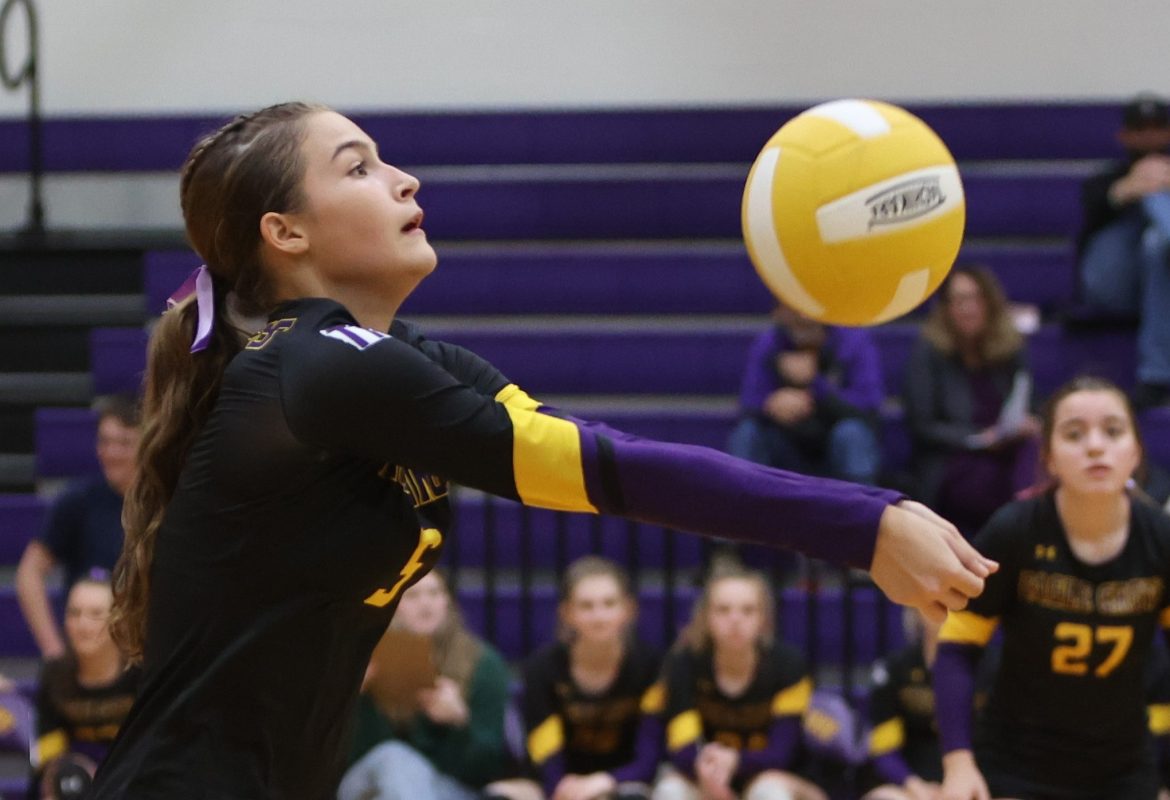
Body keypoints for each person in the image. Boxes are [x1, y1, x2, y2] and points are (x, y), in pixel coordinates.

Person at [87, 102, 992, 799]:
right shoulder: (309, 369)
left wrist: (869, 520)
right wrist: (867, 522)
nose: (403, 179)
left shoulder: (399, 367)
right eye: (358, 167)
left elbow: (599, 455)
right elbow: (609, 473)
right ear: (285, 233)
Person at [935, 375, 1170, 800]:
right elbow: (956, 649)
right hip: (1014, 767)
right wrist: (958, 761)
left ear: (1135, 452)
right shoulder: (1014, 531)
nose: (1095, 446)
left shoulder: (1161, 541)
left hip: (1124, 772)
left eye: (1113, 431)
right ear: (1049, 458)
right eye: (1074, 433)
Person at [654, 562, 827, 800]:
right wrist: (712, 771)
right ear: (706, 617)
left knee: (769, 792)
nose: (735, 619)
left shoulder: (789, 666)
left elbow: (782, 753)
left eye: (747, 610)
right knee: (670, 790)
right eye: (723, 610)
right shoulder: (683, 663)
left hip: (775, 775)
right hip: (704, 774)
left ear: (763, 619)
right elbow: (683, 749)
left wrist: (735, 760)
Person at [338, 569, 512, 800]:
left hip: (449, 788)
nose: (425, 603)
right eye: (412, 595)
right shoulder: (362, 661)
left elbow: (486, 770)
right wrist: (356, 698)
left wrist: (458, 722)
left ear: (447, 601)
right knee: (394, 759)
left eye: (435, 593)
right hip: (365, 780)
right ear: (393, 603)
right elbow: (328, 761)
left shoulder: (481, 663)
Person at [901, 265, 1039, 538]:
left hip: (1006, 450)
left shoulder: (1010, 351)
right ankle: (1017, 539)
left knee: (1035, 450)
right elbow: (922, 425)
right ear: (946, 308)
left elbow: (1028, 404)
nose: (969, 307)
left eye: (976, 298)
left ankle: (1029, 531)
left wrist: (1029, 424)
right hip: (954, 458)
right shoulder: (928, 354)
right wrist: (978, 439)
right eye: (960, 300)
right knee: (987, 481)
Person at [520, 556, 663, 800]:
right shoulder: (541, 669)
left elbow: (649, 757)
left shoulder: (652, 666)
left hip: (627, 783)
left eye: (609, 604)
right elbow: (545, 754)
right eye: (586, 606)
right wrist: (566, 789)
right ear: (566, 613)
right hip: (563, 787)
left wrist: (604, 781)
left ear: (629, 609)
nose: (599, 616)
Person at [16, 394, 140, 659]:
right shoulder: (80, 501)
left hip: (145, 655)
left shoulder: (166, 503)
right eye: (104, 442)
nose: (111, 452)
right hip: (89, 659)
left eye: (124, 443)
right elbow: (29, 573)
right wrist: (54, 651)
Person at [1077, 93, 1170, 408]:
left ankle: (1156, 375)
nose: (1149, 137)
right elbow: (1092, 213)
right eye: (1140, 129)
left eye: (1157, 128)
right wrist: (1131, 188)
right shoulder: (1104, 180)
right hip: (1114, 288)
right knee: (1153, 211)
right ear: (1124, 135)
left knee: (1157, 244)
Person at [726, 302, 884, 485]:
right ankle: (743, 507)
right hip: (786, 446)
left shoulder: (853, 341)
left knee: (852, 434)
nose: (803, 317)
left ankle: (863, 509)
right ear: (777, 312)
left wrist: (816, 387)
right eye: (792, 309)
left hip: (833, 445)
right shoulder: (768, 342)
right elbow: (748, 403)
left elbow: (868, 407)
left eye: (809, 309)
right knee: (747, 433)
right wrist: (771, 404)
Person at [31, 570, 140, 799]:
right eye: (74, 613)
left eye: (95, 614)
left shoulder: (140, 673)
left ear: (118, 619)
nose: (82, 624)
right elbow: (47, 754)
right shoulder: (55, 675)